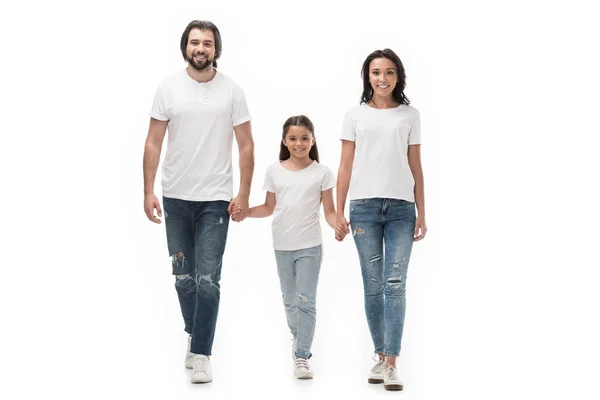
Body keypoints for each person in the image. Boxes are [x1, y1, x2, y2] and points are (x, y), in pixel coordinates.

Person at [142, 20, 254, 384]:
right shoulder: (168, 88)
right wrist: (148, 191)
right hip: (175, 196)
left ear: (216, 49)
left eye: (207, 43)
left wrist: (243, 194)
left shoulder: (232, 92)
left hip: (215, 200)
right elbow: (153, 142)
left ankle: (202, 352)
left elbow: (246, 144)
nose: (200, 48)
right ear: (185, 47)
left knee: (208, 278)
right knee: (183, 277)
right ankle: (195, 333)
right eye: (194, 42)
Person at [335, 48, 427, 391]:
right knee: (373, 285)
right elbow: (345, 166)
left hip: (403, 208)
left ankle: (391, 362)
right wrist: (337, 211)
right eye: (376, 72)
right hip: (364, 209)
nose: (382, 78)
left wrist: (422, 211)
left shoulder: (410, 115)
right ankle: (379, 355)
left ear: (398, 76)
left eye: (389, 72)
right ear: (367, 77)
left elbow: (416, 166)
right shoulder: (354, 116)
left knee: (395, 283)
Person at [232, 115, 338, 379]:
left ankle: (302, 355)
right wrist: (243, 212)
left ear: (313, 140)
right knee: (290, 301)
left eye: (304, 138)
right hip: (282, 247)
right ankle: (297, 336)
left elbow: (330, 212)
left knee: (306, 301)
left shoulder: (322, 173)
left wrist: (338, 223)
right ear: (284, 141)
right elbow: (269, 207)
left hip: (310, 247)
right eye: (293, 138)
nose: (299, 143)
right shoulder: (274, 170)